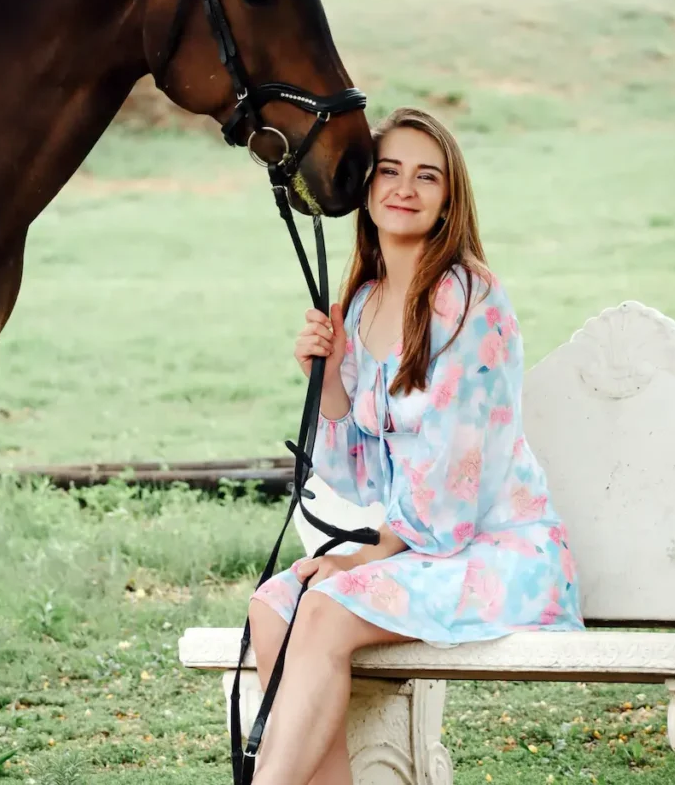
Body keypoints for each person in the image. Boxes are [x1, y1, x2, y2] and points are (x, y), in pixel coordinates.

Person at [246, 106, 584, 785]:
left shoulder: (470, 300)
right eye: (391, 170)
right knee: (274, 605)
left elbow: (457, 471)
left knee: (327, 602)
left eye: (427, 176)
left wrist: (369, 558)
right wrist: (328, 381)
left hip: (499, 554)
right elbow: (361, 478)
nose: (405, 187)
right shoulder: (366, 303)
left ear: (448, 200)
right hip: (425, 552)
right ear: (368, 190)